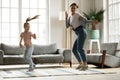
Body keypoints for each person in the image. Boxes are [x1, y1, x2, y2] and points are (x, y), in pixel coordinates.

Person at [65, 3, 97, 70]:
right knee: (74, 50)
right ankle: (81, 64)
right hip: (78, 33)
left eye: (74, 8)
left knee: (80, 49)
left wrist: (92, 22)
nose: (73, 9)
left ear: (76, 9)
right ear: (70, 8)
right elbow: (67, 26)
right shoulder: (70, 17)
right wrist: (66, 17)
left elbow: (85, 21)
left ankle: (85, 65)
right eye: (72, 8)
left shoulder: (77, 15)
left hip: (81, 31)